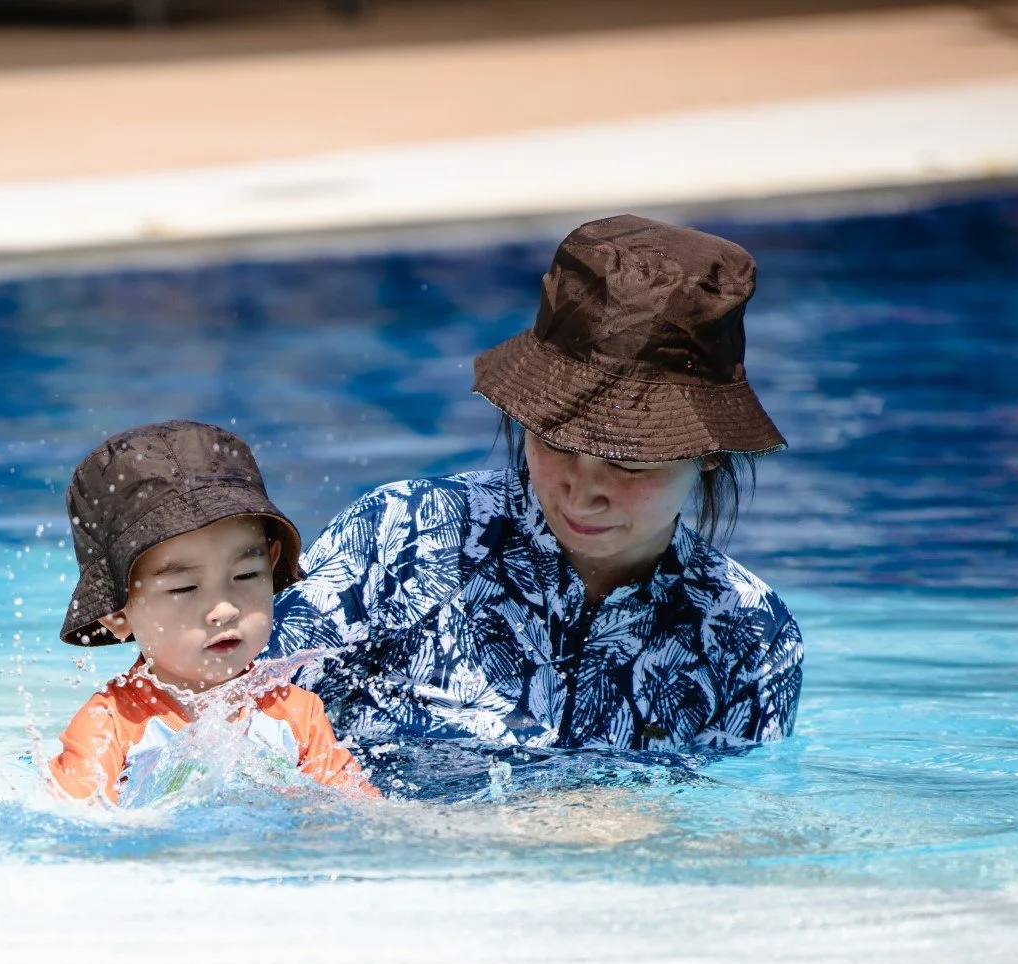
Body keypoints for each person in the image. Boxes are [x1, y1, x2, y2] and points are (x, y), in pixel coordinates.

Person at [270, 214, 804, 775]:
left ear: (711, 450)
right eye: (554, 443)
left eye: (628, 464)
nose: (583, 493)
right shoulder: (406, 534)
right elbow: (238, 717)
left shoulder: (750, 637)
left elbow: (728, 816)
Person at [49, 421, 373, 807]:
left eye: (246, 575)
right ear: (117, 614)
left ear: (271, 565)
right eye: (184, 587)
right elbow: (75, 820)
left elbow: (359, 812)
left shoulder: (297, 714)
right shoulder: (110, 726)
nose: (223, 610)